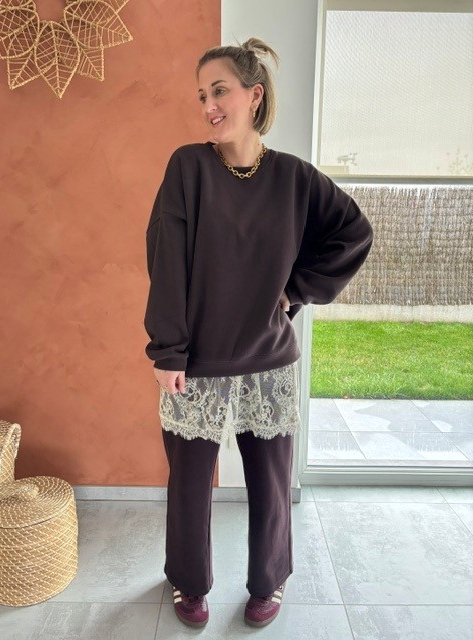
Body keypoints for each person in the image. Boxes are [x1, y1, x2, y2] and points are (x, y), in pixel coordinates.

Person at [143, 37, 373, 629]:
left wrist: (296, 291)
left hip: (269, 358)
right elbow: (166, 260)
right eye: (202, 95)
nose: (208, 105)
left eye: (219, 90)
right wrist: (168, 350)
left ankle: (269, 581)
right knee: (189, 482)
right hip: (197, 358)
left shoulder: (294, 177)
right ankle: (188, 581)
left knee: (271, 482)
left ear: (254, 95)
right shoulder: (188, 167)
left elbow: (353, 232)